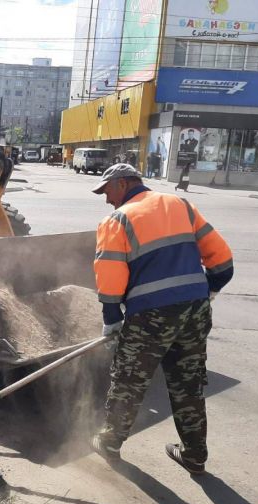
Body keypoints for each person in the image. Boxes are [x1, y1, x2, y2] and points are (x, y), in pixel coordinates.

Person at [89, 163, 233, 475]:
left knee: (129, 380)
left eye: (107, 190)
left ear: (124, 184)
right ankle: (195, 455)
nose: (106, 199)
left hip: (152, 316)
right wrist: (207, 291)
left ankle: (110, 443)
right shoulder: (181, 205)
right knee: (188, 383)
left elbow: (110, 276)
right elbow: (223, 262)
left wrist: (112, 318)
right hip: (195, 311)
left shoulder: (117, 220)